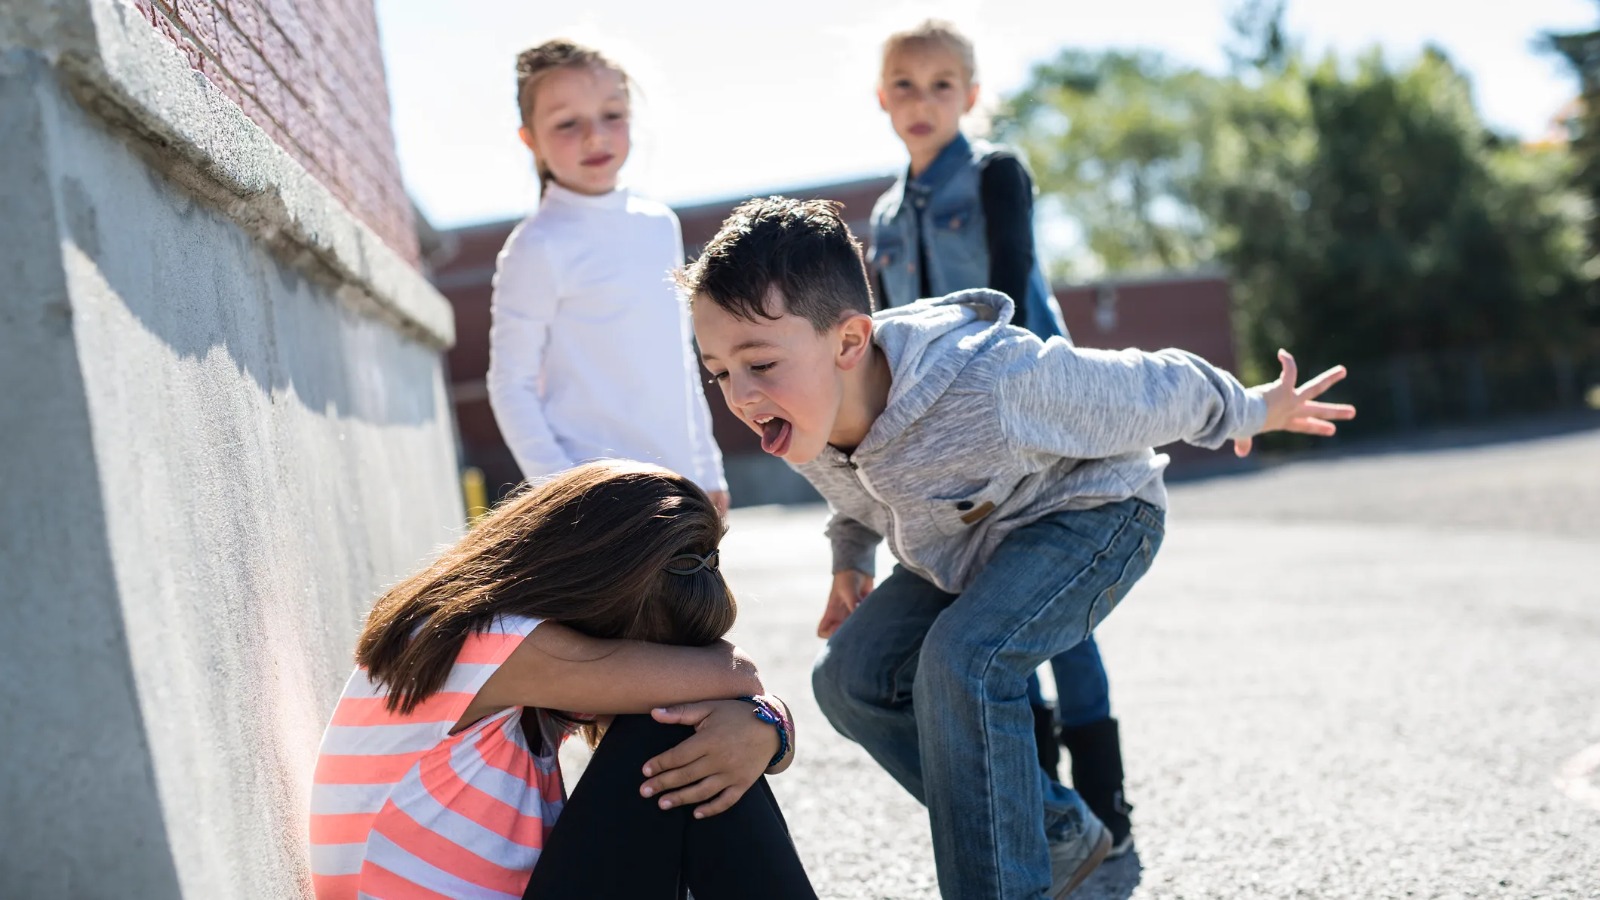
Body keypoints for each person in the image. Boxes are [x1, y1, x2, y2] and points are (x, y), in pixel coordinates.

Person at [682, 197, 1355, 899]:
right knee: (848, 678)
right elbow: (853, 493)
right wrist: (850, 560)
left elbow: (1156, 385)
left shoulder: (992, 383)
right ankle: (1054, 832)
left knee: (962, 662)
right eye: (719, 371)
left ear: (850, 342)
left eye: (757, 362)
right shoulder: (798, 411)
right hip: (968, 544)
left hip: (1095, 516)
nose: (741, 394)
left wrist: (1252, 410)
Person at [307, 461, 817, 899]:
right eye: (642, 650)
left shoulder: (512, 663)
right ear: (594, 594)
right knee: (672, 727)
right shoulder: (486, 640)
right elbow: (738, 675)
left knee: (702, 740)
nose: (644, 669)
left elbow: (736, 693)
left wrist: (766, 726)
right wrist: (758, 714)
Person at [865, 19, 1128, 853]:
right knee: (990, 613)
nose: (923, 100)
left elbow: (1011, 289)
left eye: (943, 84)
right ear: (882, 98)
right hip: (946, 445)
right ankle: (1048, 812)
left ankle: (1107, 808)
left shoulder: (994, 175)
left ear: (971, 97)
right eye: (905, 84)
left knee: (1061, 619)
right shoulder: (883, 214)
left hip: (1033, 420)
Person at [487, 39, 728, 515]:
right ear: (530, 139)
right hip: (597, 504)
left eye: (611, 115)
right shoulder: (537, 246)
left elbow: (679, 360)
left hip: (681, 488)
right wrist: (564, 491)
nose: (595, 137)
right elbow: (509, 384)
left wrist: (708, 468)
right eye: (567, 123)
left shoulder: (659, 224)